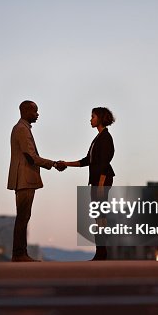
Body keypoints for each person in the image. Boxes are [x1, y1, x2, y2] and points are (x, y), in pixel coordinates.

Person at [7, 100, 66, 262]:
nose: (37, 114)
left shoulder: (22, 128)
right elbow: (30, 156)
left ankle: (20, 253)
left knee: (24, 216)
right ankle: (19, 253)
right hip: (24, 178)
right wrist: (53, 164)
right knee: (23, 217)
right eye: (34, 111)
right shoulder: (21, 129)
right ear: (25, 111)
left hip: (24, 178)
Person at [61, 107, 115, 260]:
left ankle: (102, 252)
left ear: (100, 118)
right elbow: (87, 161)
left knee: (100, 217)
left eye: (93, 116)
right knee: (98, 217)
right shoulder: (99, 138)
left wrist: (100, 184)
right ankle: (101, 251)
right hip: (97, 181)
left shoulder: (105, 138)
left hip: (101, 181)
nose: (90, 119)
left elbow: (105, 162)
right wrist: (67, 163)